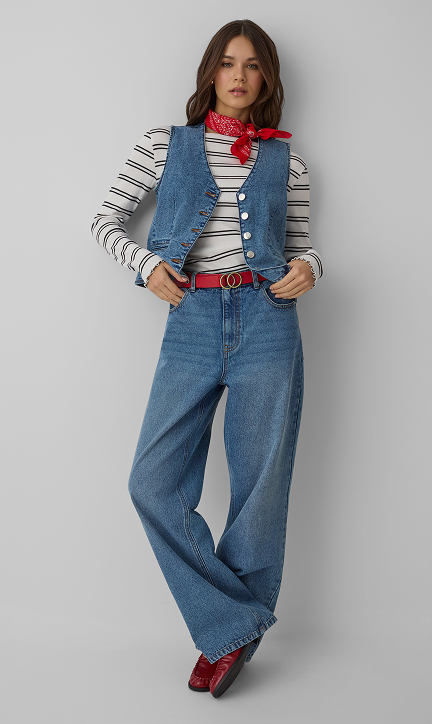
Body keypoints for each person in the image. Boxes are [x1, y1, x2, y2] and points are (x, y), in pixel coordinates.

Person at [91, 18, 323, 698]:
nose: (239, 76)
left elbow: (300, 246)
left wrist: (311, 266)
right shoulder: (165, 144)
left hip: (268, 321)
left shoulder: (289, 162)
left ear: (267, 77)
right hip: (192, 318)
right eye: (227, 62)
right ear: (210, 73)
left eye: (252, 65)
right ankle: (232, 623)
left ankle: (229, 641)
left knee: (260, 488)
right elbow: (104, 220)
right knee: (152, 482)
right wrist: (146, 266)